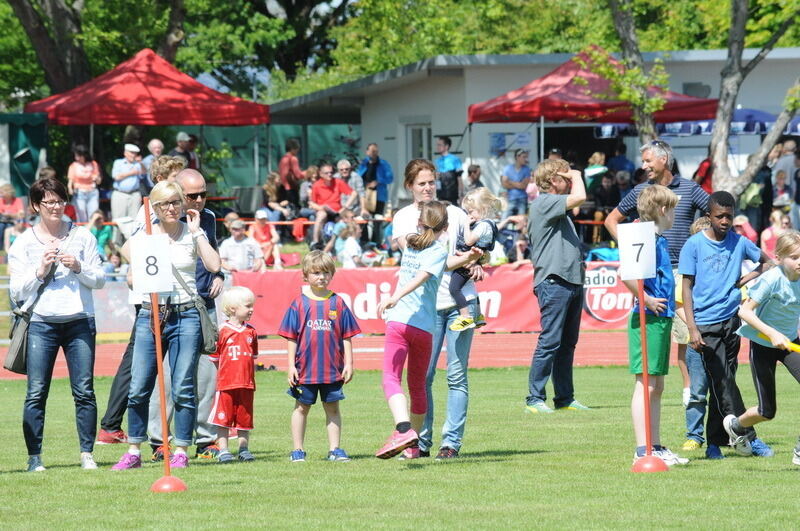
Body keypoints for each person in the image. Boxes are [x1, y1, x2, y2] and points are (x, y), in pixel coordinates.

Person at [112, 180, 221, 470]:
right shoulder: (145, 235)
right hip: (152, 314)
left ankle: (181, 450)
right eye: (164, 204)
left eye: (175, 202)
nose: (171, 208)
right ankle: (134, 450)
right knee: (139, 385)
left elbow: (214, 265)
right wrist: (136, 275)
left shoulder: (191, 233)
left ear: (182, 204)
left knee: (183, 386)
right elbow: (130, 267)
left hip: (187, 315)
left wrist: (198, 233)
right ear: (155, 208)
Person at [9, 176, 106, 471]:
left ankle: (87, 453)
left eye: (60, 201)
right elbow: (16, 291)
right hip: (41, 323)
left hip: (80, 321)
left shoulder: (83, 236)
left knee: (84, 390)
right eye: (49, 202)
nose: (56, 207)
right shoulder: (24, 242)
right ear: (36, 205)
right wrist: (40, 270)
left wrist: (78, 266)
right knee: (36, 392)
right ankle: (34, 457)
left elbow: (99, 280)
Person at [391, 159, 486, 459]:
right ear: (409, 186)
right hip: (426, 308)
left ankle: (451, 443)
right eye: (421, 183)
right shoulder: (403, 218)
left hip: (462, 302)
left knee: (456, 376)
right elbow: (425, 259)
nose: (428, 187)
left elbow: (475, 245)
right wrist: (466, 259)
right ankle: (420, 441)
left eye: (431, 182)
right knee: (423, 377)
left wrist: (478, 260)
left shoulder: (455, 213)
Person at [605, 139, 709, 410]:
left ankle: (689, 390)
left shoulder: (689, 188)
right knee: (660, 336)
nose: (644, 166)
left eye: (648, 160)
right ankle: (677, 392)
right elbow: (611, 220)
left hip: (684, 272)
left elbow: (715, 213)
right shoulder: (642, 191)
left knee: (687, 335)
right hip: (653, 277)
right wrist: (631, 248)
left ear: (664, 160)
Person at [679, 190, 773, 460]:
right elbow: (686, 288)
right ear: (708, 215)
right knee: (723, 381)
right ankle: (749, 436)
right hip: (705, 325)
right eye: (720, 216)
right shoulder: (694, 245)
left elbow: (767, 262)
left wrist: (744, 280)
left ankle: (714, 443)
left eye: (729, 217)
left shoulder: (740, 242)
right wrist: (693, 328)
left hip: (732, 322)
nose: (725, 221)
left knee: (722, 384)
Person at [375, 200, 468, 459]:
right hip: (425, 328)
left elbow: (420, 277)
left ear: (419, 223)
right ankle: (413, 446)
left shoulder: (411, 244)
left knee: (390, 378)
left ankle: (404, 429)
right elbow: (433, 270)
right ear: (445, 228)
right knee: (417, 386)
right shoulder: (438, 250)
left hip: (400, 322)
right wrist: (470, 257)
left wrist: (395, 297)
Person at [146, 169, 227, 461]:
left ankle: (205, 440)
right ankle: (160, 441)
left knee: (205, 377)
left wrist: (220, 275)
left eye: (204, 194)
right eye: (193, 196)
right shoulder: (158, 220)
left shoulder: (209, 218)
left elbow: (212, 254)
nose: (200, 200)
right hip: (168, 308)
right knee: (167, 378)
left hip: (203, 305)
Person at [622, 185, 689, 466]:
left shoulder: (658, 238)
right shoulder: (644, 237)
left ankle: (656, 445)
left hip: (661, 318)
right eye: (672, 209)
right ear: (662, 210)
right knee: (646, 384)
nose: (675, 215)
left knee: (657, 385)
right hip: (647, 318)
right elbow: (626, 273)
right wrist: (647, 299)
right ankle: (643, 448)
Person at [726, 231, 800, 464]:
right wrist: (771, 333)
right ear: (779, 258)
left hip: (790, 343)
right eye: (794, 257)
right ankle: (736, 426)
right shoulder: (772, 279)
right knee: (767, 412)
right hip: (762, 344)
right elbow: (745, 312)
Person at [279, 251, 360, 463]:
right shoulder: (299, 304)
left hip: (332, 369)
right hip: (305, 370)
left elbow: (347, 335)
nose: (321, 277)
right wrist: (291, 366)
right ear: (305, 275)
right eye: (316, 273)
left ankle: (335, 449)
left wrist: (349, 363)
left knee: (333, 408)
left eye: (326, 272)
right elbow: (291, 337)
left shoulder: (338, 302)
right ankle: (298, 450)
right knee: (301, 408)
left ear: (332, 274)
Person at [525, 159, 590, 413]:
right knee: (550, 341)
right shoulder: (544, 202)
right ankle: (534, 398)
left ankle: (564, 398)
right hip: (554, 280)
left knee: (566, 343)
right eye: (565, 177)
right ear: (553, 180)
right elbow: (580, 197)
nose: (570, 180)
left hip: (570, 279)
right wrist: (577, 175)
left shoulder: (554, 206)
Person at [208, 286, 259, 463]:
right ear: (232, 308)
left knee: (244, 419)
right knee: (223, 419)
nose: (251, 309)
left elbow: (252, 357)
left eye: (252, 306)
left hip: (246, 384)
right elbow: (215, 359)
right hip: (226, 385)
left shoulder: (251, 332)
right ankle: (223, 450)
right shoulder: (222, 331)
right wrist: (223, 377)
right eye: (248, 306)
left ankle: (244, 449)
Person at [449, 188, 501, 331]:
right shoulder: (489, 224)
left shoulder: (483, 225)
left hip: (468, 261)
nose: (469, 215)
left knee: (454, 288)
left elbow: (469, 240)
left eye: (471, 211)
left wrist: (466, 224)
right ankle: (478, 315)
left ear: (483, 209)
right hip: (474, 259)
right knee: (470, 286)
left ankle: (465, 316)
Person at [309, 163, 353, 247]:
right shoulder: (317, 185)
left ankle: (346, 243)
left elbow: (353, 193)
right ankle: (315, 242)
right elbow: (311, 203)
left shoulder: (338, 182)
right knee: (321, 215)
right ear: (321, 174)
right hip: (323, 211)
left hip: (337, 212)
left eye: (331, 172)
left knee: (346, 218)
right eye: (327, 173)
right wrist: (321, 208)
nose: (329, 174)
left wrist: (345, 207)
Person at [356, 143, 394, 218]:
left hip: (379, 196)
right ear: (367, 152)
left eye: (376, 151)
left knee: (377, 219)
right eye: (372, 151)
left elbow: (390, 178)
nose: (374, 153)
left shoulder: (383, 164)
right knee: (364, 219)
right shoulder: (363, 163)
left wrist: (378, 182)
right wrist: (365, 184)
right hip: (365, 195)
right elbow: (357, 177)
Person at [66, 144, 101, 223]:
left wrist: (97, 178)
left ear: (84, 155)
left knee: (93, 214)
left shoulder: (93, 164)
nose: (76, 158)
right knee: (81, 216)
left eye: (78, 156)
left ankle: (92, 229)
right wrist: (70, 189)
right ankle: (82, 230)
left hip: (92, 192)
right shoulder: (73, 166)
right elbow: (70, 181)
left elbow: (99, 181)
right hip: (79, 193)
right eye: (76, 155)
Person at [110, 143, 144, 223]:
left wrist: (141, 163)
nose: (133, 155)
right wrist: (131, 173)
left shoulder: (138, 164)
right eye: (131, 153)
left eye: (135, 153)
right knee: (118, 221)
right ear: (125, 153)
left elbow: (143, 176)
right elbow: (116, 177)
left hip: (134, 195)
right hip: (120, 194)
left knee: (135, 221)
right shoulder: (118, 162)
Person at [501, 149, 531, 218]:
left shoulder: (527, 169)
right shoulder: (507, 168)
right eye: (524, 157)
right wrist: (519, 184)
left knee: (521, 221)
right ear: (517, 157)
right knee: (504, 219)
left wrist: (510, 181)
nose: (525, 159)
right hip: (510, 199)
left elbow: (523, 186)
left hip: (522, 199)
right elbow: (504, 184)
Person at [435, 136, 463, 205]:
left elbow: (459, 178)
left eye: (440, 145)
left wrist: (461, 194)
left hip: (452, 196)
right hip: (440, 196)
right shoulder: (437, 161)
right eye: (437, 145)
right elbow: (436, 179)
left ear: (446, 146)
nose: (437, 147)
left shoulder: (455, 159)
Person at [278, 138, 305, 208]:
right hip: (291, 188)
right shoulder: (293, 159)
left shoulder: (283, 159)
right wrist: (307, 173)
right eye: (297, 148)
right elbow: (298, 175)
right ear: (293, 149)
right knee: (295, 208)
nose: (298, 150)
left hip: (282, 188)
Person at [0, 183, 26, 249]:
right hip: (2, 221)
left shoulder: (17, 201)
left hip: (14, 222)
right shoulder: (1, 201)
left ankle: (7, 248)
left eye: (2, 192)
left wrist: (10, 214)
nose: (1, 195)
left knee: (8, 226)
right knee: (1, 226)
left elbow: (21, 214)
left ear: (8, 192)